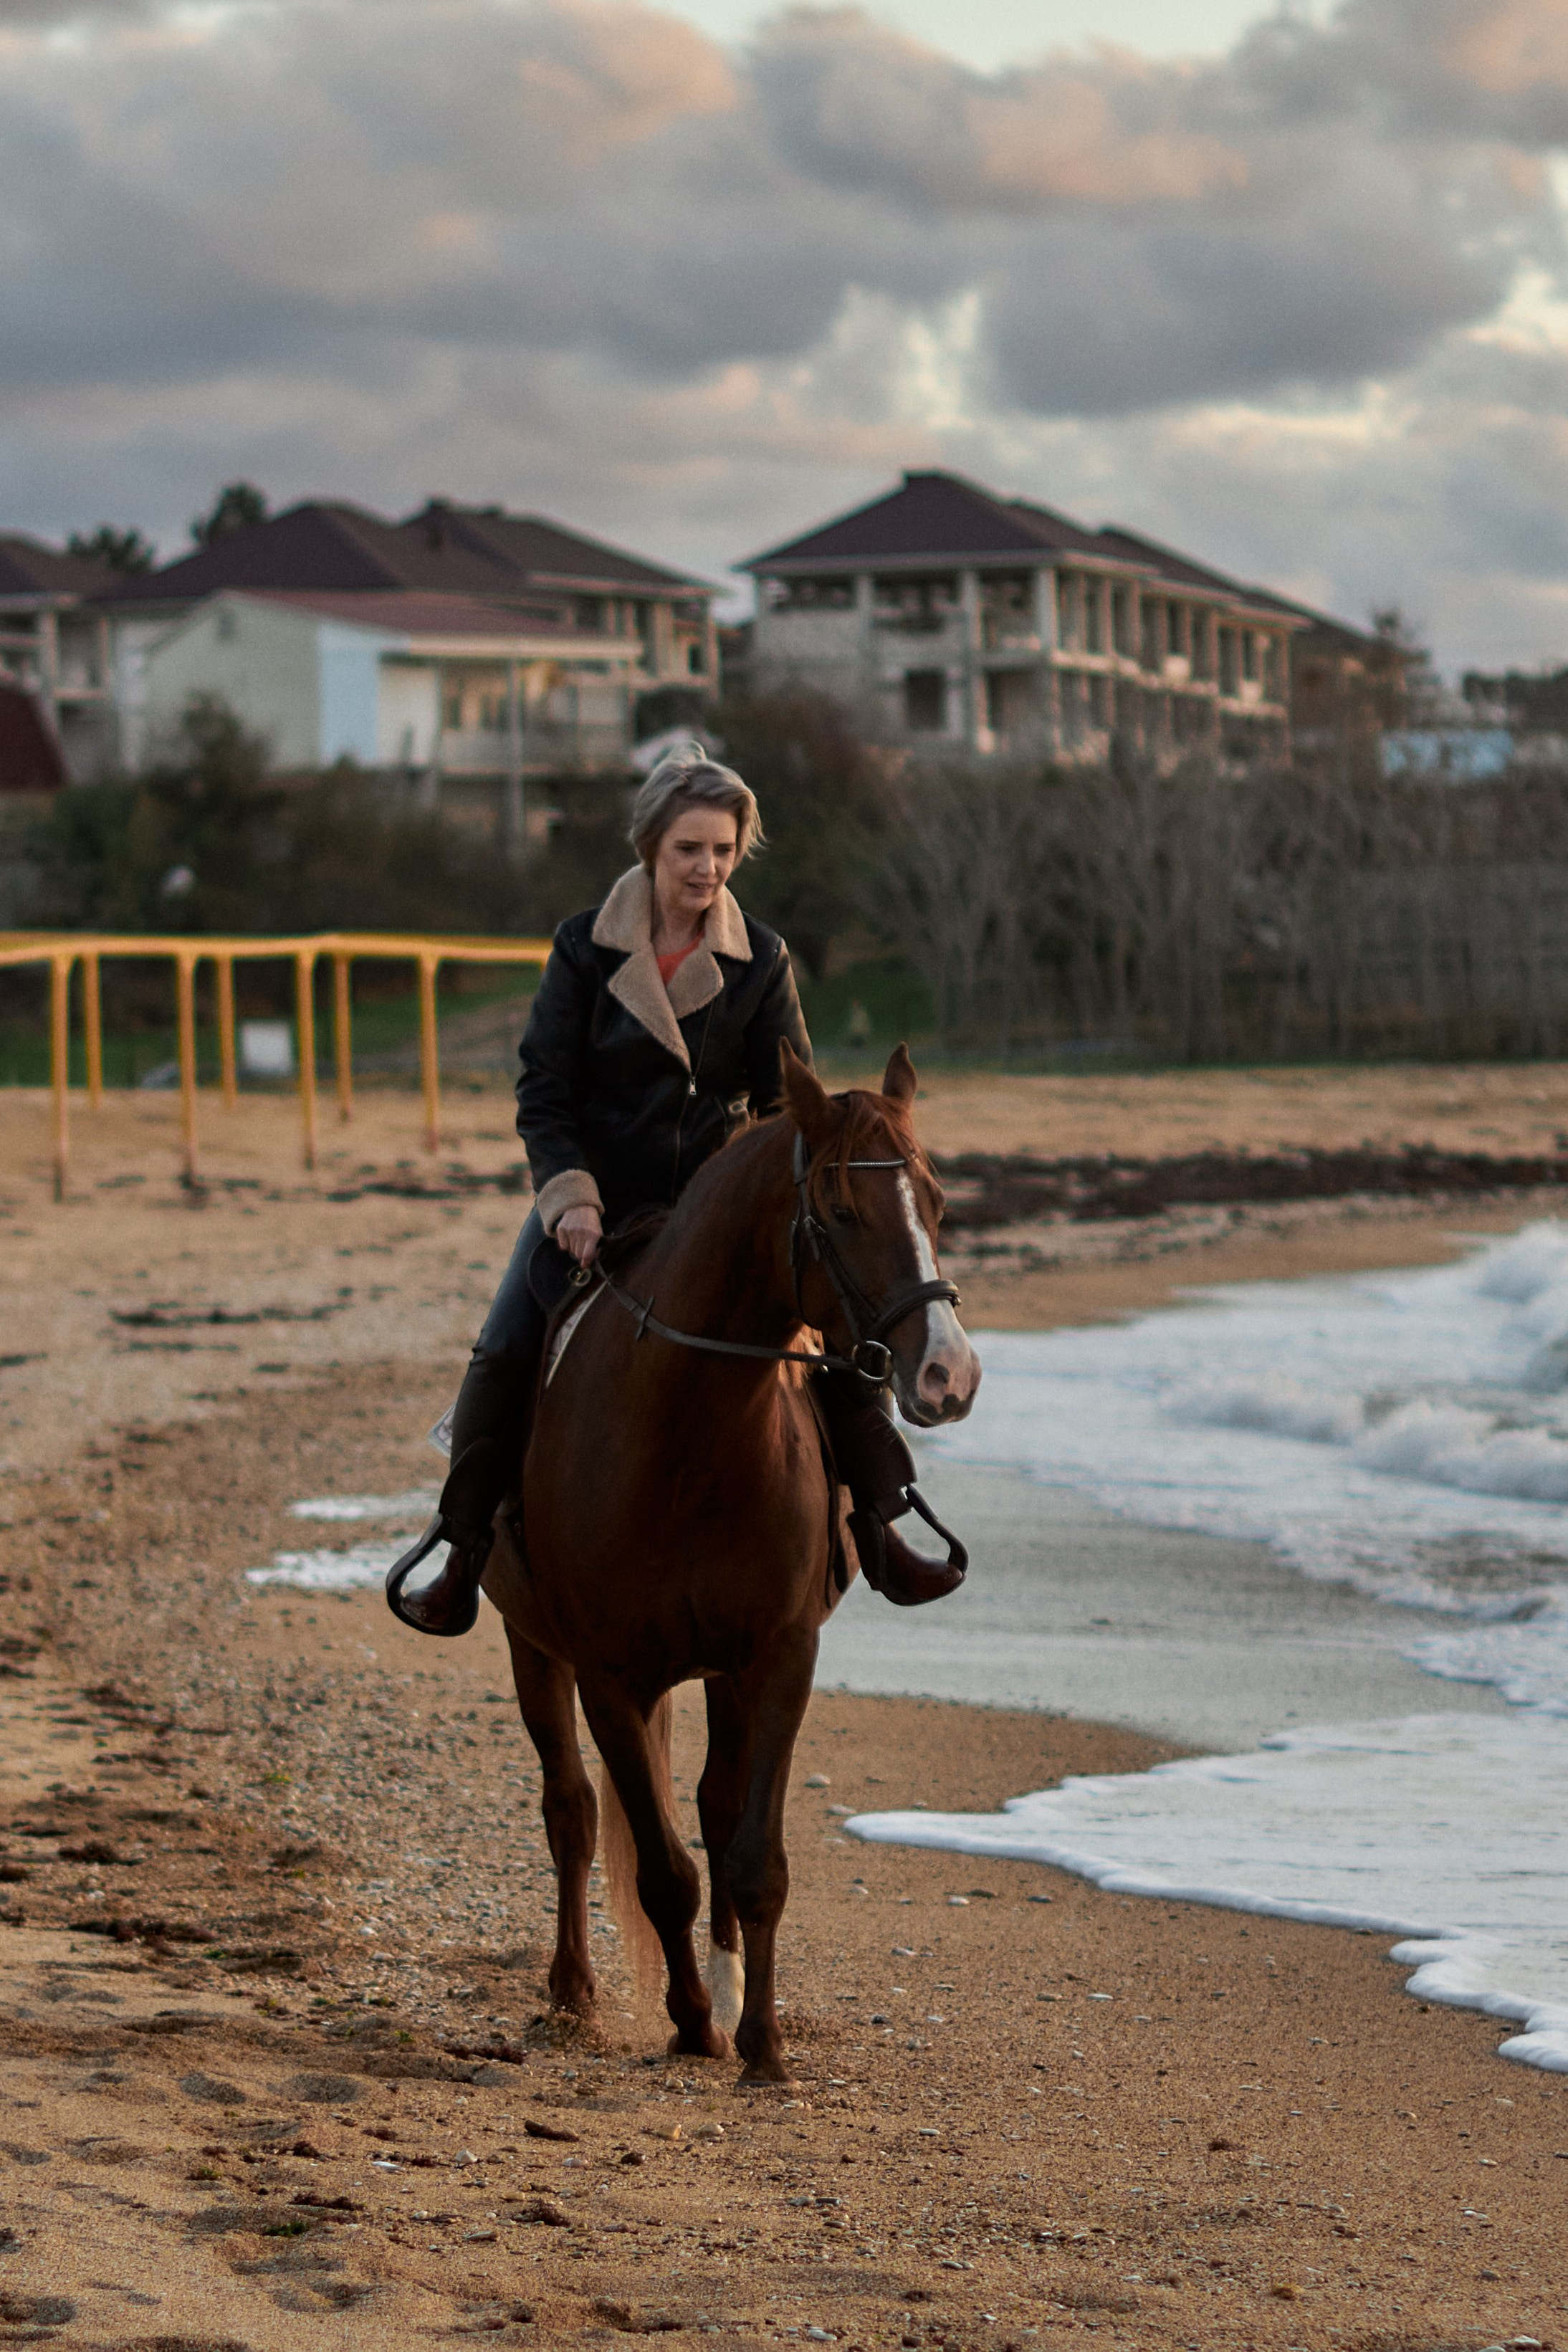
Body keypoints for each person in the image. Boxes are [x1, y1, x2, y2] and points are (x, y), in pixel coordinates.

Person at [386, 743, 965, 1638]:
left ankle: (881, 1526)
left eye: (724, 851)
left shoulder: (760, 958)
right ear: (651, 848)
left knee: (845, 1335)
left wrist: (782, 1197)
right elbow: (544, 1088)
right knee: (502, 1347)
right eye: (689, 849)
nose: (707, 869)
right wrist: (569, 1196)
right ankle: (462, 1550)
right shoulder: (584, 948)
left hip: (719, 1212)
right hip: (592, 1206)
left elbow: (790, 1106)